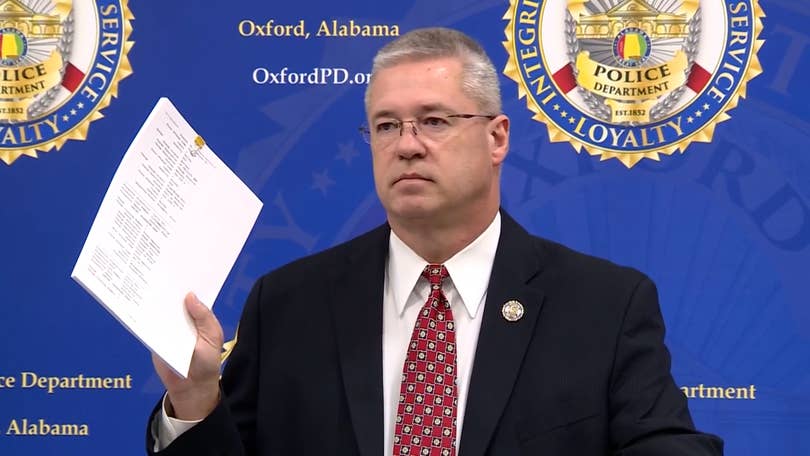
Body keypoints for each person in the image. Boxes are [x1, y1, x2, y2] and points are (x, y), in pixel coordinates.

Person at [147, 27, 723, 455]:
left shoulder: (603, 305)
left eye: (435, 121)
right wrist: (197, 399)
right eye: (387, 125)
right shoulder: (288, 304)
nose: (408, 145)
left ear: (497, 138)